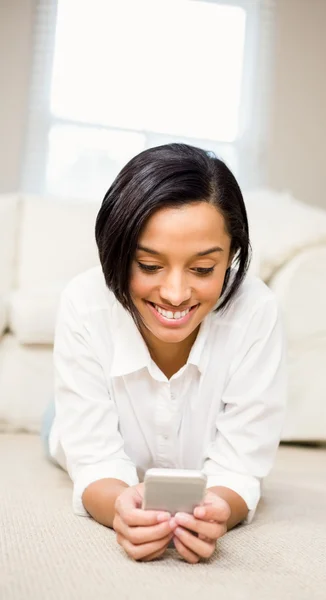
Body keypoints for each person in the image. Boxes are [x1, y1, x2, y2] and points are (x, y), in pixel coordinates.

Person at [42, 143, 286, 564]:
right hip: (79, 412)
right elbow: (94, 460)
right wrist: (120, 506)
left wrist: (220, 510)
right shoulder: (84, 302)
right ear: (116, 253)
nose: (175, 294)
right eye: (149, 266)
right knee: (57, 430)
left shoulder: (257, 311)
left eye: (204, 269)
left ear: (232, 257)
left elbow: (240, 469)